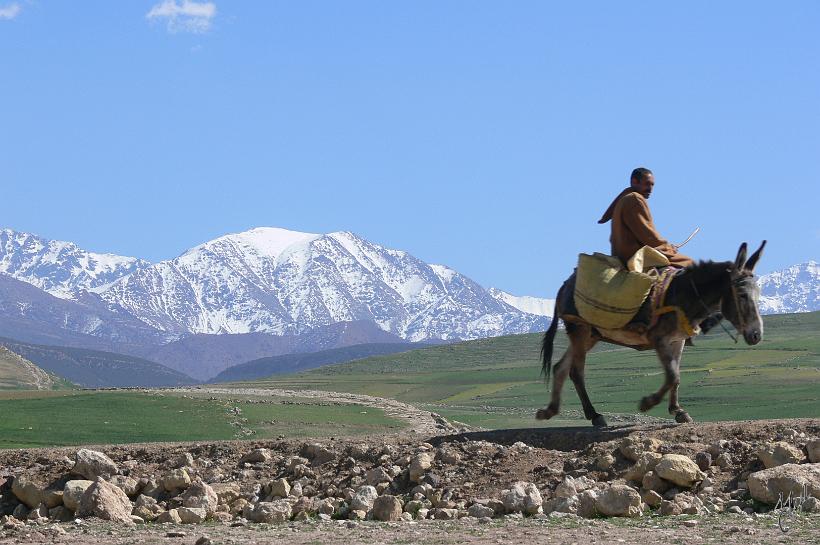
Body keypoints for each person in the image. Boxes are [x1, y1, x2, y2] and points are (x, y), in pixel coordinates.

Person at [598, 167, 694, 268]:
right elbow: (648, 236)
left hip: (622, 257)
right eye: (647, 184)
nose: (650, 189)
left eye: (652, 185)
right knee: (691, 265)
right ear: (634, 182)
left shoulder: (624, 199)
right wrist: (669, 248)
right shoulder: (634, 199)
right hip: (636, 257)